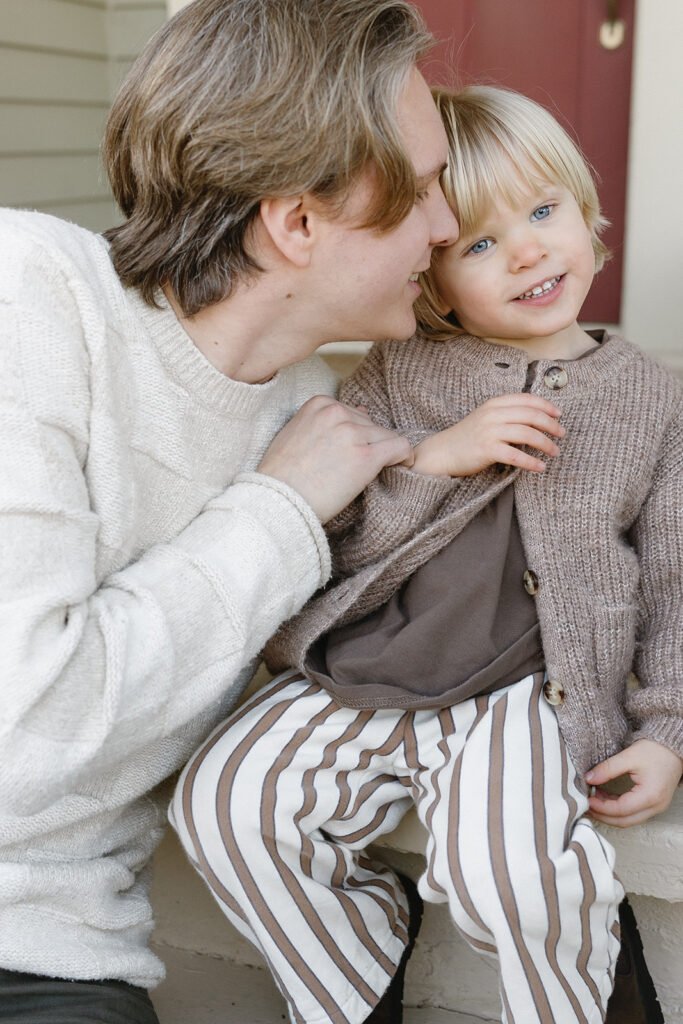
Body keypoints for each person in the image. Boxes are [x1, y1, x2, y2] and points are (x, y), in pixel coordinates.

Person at [171, 85, 682, 1024]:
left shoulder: (650, 401)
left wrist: (665, 730)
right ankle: (354, 972)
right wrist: (433, 462)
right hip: (366, 657)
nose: (526, 250)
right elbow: (336, 542)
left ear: (587, 212)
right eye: (479, 244)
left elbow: (674, 583)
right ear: (432, 280)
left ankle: (589, 995)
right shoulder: (399, 370)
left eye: (542, 211)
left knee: (508, 877)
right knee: (226, 802)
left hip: (523, 690)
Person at [0, 0, 460, 1019]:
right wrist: (275, 514)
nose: (447, 225)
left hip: (58, 961)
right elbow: (21, 737)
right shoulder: (28, 294)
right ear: (296, 222)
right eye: (424, 190)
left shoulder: (319, 424)